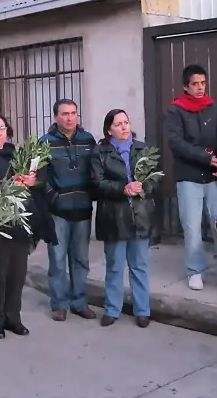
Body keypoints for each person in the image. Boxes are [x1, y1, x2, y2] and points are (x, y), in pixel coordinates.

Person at [0, 112, 57, 340]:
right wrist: (7, 186)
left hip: (20, 223)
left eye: (2, 128)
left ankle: (13, 317)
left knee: (17, 273)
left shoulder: (15, 153)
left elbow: (35, 182)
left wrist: (32, 182)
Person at [165, 64, 217, 291]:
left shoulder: (214, 107)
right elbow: (176, 142)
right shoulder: (175, 110)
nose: (200, 88)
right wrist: (205, 158)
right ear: (186, 86)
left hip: (214, 177)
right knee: (192, 227)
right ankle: (195, 271)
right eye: (195, 84)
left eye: (203, 83)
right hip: (189, 177)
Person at [91, 109, 155, 328]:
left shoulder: (142, 149)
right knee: (116, 266)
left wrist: (143, 185)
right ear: (109, 129)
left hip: (140, 215)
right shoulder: (100, 152)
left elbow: (155, 178)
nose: (124, 127)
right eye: (118, 124)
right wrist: (122, 188)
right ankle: (112, 309)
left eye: (126, 122)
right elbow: (97, 184)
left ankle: (143, 310)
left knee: (140, 265)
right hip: (114, 217)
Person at [39, 98, 97, 322]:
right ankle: (59, 304)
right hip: (58, 213)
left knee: (81, 259)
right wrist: (55, 199)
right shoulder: (45, 142)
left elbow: (95, 171)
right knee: (58, 260)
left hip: (83, 210)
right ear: (56, 117)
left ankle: (79, 303)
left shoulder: (87, 139)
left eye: (73, 113)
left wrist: (91, 195)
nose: (70, 118)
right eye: (65, 114)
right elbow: (40, 179)